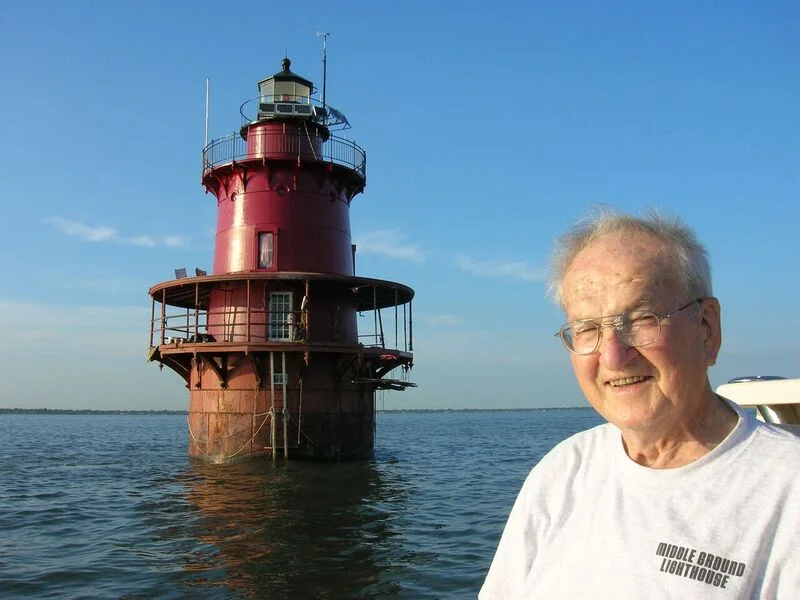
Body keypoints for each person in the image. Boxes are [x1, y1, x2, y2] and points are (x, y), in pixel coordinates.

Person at [479, 210, 800, 599]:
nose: (613, 356)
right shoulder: (562, 472)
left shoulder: (786, 489)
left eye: (643, 318)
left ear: (707, 328)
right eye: (587, 329)